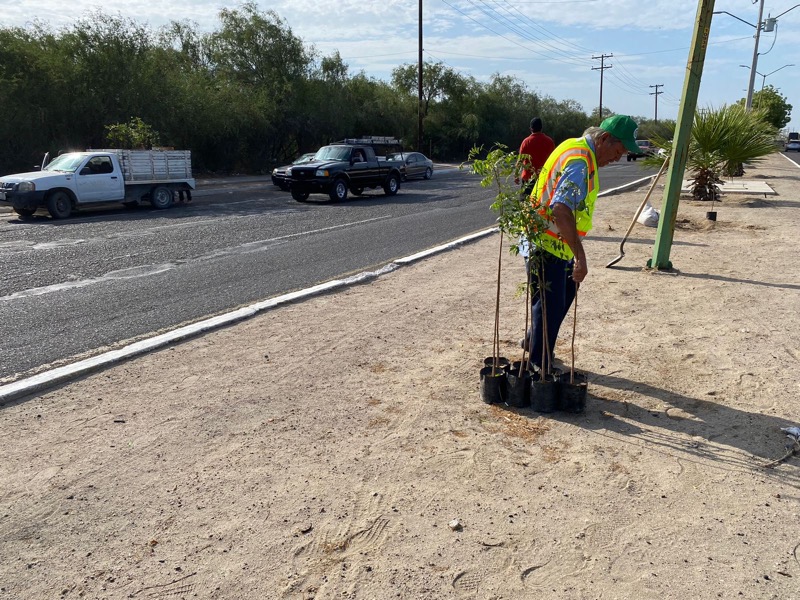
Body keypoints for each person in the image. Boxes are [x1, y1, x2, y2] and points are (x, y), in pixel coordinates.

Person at [523, 114, 640, 373]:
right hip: (546, 241)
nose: (618, 158)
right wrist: (581, 257)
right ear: (604, 139)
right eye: (618, 151)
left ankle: (533, 342)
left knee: (560, 296)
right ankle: (538, 365)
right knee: (551, 304)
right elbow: (560, 210)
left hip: (549, 239)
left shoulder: (576, 147)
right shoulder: (580, 162)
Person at [515, 117, 555, 196]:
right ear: (541, 128)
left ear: (531, 128)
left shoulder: (526, 142)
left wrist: (516, 175)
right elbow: (553, 160)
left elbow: (520, 160)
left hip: (528, 178)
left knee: (525, 201)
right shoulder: (549, 141)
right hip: (544, 178)